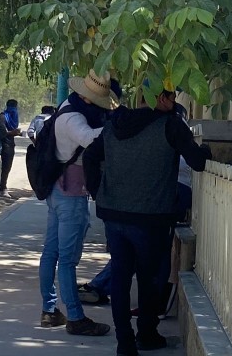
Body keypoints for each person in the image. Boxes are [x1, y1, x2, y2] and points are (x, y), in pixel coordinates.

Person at [83, 86, 212, 356]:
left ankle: (125, 343)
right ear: (160, 98)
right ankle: (147, 334)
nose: (175, 103)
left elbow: (91, 156)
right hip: (151, 217)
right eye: (172, 98)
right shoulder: (170, 125)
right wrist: (207, 151)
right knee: (149, 279)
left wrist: (99, 193)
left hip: (115, 215)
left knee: (120, 277)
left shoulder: (114, 123)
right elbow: (198, 162)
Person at [39, 69, 117, 337]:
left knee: (52, 253)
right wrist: (117, 125)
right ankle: (74, 316)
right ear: (88, 98)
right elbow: (90, 139)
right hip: (70, 193)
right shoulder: (74, 117)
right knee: (68, 260)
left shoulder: (68, 106)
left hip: (59, 189)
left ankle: (50, 311)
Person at [0, 99, 22, 199]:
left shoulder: (11, 117)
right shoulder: (3, 116)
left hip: (10, 144)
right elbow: (2, 132)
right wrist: (13, 133)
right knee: (0, 168)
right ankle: (1, 188)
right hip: (1, 145)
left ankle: (3, 187)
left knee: (7, 168)